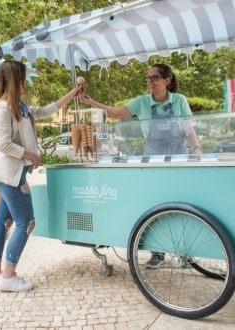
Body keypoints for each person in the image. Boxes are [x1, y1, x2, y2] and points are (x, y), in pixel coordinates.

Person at [79, 63, 202, 268]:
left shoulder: (179, 100)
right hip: (152, 156)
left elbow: (188, 129)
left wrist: (196, 148)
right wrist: (92, 102)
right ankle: (157, 253)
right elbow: (117, 112)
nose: (150, 82)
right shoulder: (142, 102)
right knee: (154, 204)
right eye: (148, 78)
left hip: (177, 157)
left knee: (181, 204)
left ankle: (185, 251)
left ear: (167, 81)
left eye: (154, 78)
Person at [0, 60, 82, 291]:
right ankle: (8, 277)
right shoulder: (2, 108)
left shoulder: (20, 106)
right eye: (23, 77)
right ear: (14, 79)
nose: (26, 81)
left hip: (9, 175)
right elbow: (4, 144)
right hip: (9, 175)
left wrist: (72, 94)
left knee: (3, 223)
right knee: (26, 222)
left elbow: (46, 110)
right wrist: (31, 155)